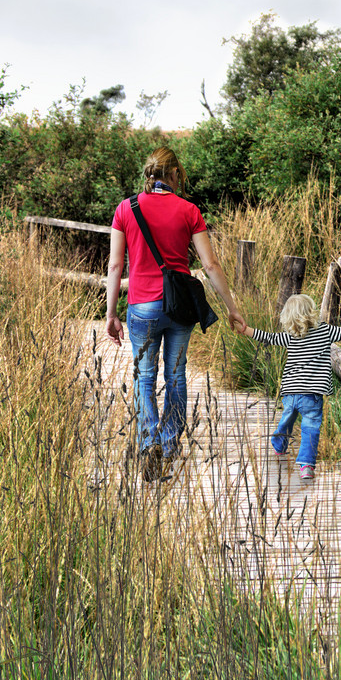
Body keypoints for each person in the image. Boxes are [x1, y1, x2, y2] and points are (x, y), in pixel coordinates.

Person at [104, 146, 245, 480]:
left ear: (150, 175)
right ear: (175, 174)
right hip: (179, 307)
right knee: (176, 375)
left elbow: (114, 264)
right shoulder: (189, 210)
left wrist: (111, 314)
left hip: (142, 307)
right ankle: (169, 444)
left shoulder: (126, 209)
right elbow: (209, 264)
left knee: (145, 377)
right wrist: (232, 308)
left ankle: (148, 441)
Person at [236, 294, 341, 482]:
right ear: (311, 312)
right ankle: (306, 465)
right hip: (312, 393)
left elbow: (268, 337)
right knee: (311, 426)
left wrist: (246, 329)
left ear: (288, 317)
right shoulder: (325, 331)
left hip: (290, 390)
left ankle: (279, 443)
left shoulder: (290, 336)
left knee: (287, 417)